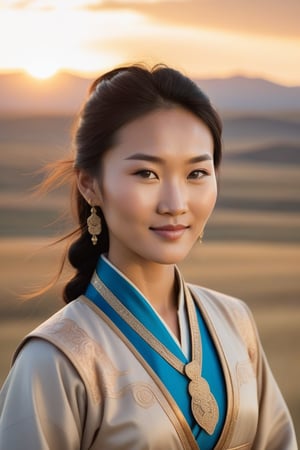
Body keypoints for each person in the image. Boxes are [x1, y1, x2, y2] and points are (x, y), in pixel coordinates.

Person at [0, 64, 297, 450]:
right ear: (90, 184)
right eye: (146, 174)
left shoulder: (235, 322)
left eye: (196, 174)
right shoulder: (55, 360)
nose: (175, 205)